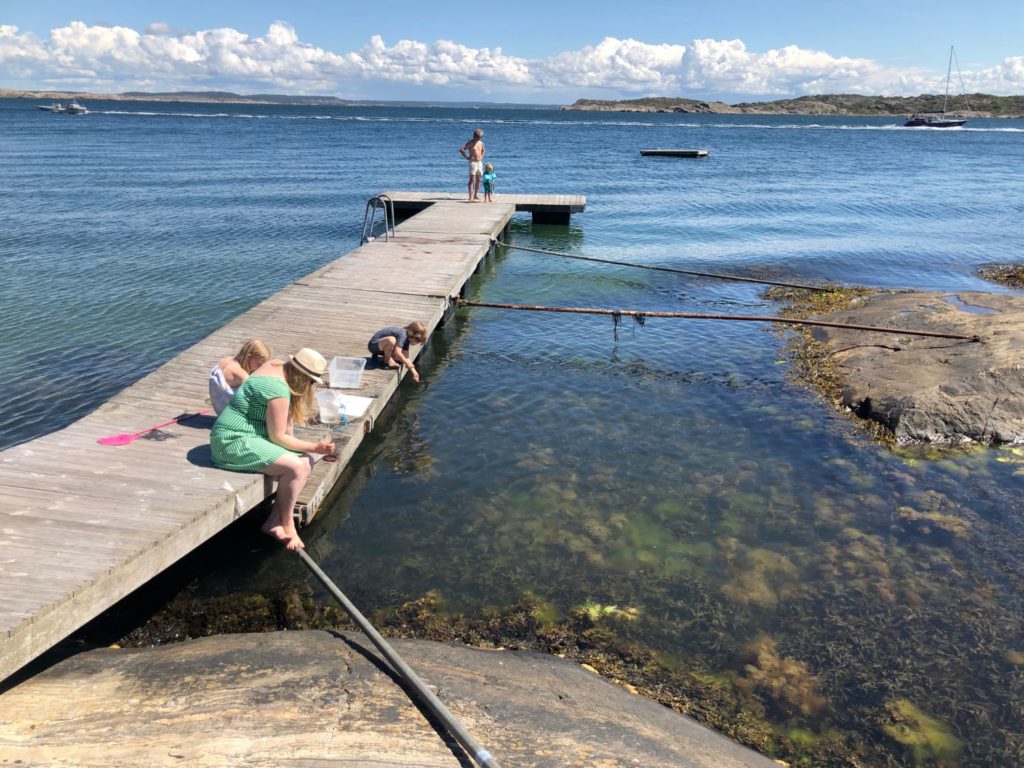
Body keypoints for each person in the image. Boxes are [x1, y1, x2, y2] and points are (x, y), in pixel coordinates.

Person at [210, 347, 335, 551]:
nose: (310, 386)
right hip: (231, 441)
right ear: (302, 375)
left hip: (251, 435)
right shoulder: (278, 389)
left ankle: (275, 519)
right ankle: (287, 524)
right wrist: (315, 446)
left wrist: (307, 451)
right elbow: (278, 436)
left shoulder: (274, 366)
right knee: (296, 467)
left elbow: (286, 424)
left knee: (306, 460)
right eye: (311, 381)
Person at [208, 340, 270, 415]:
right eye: (259, 364)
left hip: (219, 406)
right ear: (249, 357)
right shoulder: (242, 375)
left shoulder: (226, 360)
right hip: (230, 414)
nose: (260, 367)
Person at [459, 129, 486, 201]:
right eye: (478, 137)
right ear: (474, 136)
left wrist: (482, 156)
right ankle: (470, 195)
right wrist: (466, 157)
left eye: (480, 137)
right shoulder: (470, 143)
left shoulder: (481, 143)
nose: (479, 138)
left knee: (478, 179)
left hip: (479, 162)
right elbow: (461, 149)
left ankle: (475, 195)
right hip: (473, 162)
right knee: (471, 179)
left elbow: (483, 150)